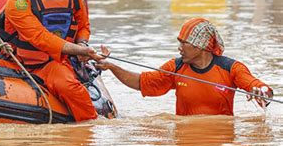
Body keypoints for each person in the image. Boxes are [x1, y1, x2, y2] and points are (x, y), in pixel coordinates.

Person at [95, 18, 274, 115]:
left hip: (221, 142)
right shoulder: (175, 67)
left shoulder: (231, 68)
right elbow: (142, 82)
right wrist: (112, 66)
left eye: (184, 43)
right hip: (185, 142)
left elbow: (260, 88)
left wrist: (262, 93)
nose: (179, 48)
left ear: (200, 46)